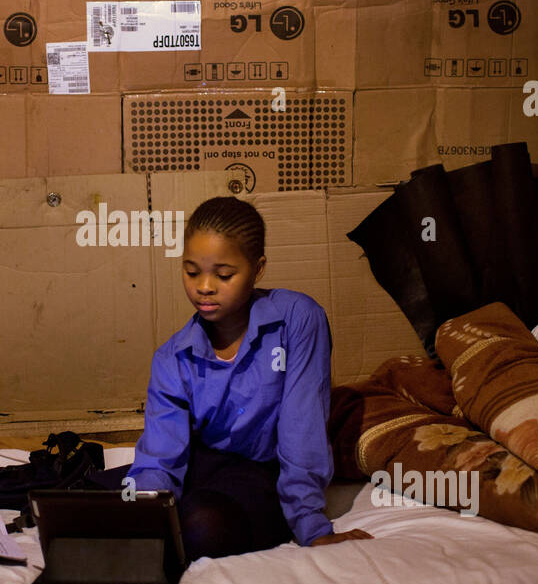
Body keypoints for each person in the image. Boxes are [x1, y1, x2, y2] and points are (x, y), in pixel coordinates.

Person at [109, 196, 371, 561]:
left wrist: (311, 527)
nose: (204, 287)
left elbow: (302, 428)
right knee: (110, 501)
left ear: (257, 268)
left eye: (224, 274)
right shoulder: (172, 357)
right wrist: (141, 514)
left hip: (264, 473)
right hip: (202, 464)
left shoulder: (297, 319)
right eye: (191, 271)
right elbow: (161, 457)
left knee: (203, 527)